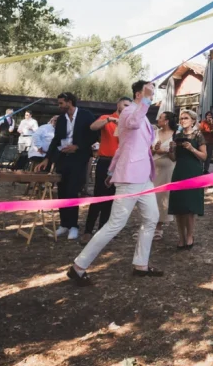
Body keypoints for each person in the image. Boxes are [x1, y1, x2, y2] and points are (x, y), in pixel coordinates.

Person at [67, 80, 163, 284]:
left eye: (152, 92)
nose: (152, 95)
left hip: (144, 177)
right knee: (115, 224)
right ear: (139, 94)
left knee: (151, 218)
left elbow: (122, 147)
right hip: (130, 178)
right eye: (148, 91)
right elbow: (134, 123)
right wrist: (146, 99)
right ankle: (78, 267)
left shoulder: (142, 114)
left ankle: (141, 264)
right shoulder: (129, 112)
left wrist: (111, 171)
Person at [34, 93, 95, 241]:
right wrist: (47, 159)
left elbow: (93, 136)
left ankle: (74, 226)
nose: (59, 106)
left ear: (69, 102)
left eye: (61, 103)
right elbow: (56, 140)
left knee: (72, 191)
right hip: (62, 158)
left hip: (78, 158)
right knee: (62, 191)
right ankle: (64, 224)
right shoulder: (61, 119)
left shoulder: (86, 115)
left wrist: (77, 147)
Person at [81, 98, 131, 244]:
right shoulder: (106, 118)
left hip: (121, 163)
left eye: (129, 106)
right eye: (125, 105)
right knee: (99, 196)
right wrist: (109, 120)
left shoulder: (129, 123)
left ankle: (103, 230)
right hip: (105, 161)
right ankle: (88, 231)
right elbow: (93, 127)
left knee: (113, 198)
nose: (127, 108)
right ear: (118, 105)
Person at [168, 109, 208, 250]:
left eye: (185, 118)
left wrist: (191, 148)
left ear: (193, 121)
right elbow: (173, 158)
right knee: (179, 207)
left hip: (193, 172)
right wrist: (171, 149)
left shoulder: (198, 135)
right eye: (181, 118)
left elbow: (204, 156)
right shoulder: (177, 135)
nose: (182, 120)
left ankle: (190, 236)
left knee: (189, 207)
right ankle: (181, 237)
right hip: (179, 171)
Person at [152, 110, 178, 241]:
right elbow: (149, 151)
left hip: (168, 169)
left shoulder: (175, 135)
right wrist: (154, 149)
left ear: (167, 121)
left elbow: (174, 157)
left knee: (163, 196)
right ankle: (149, 223)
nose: (158, 119)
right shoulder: (155, 132)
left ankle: (158, 226)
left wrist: (165, 151)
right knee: (150, 196)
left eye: (161, 118)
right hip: (152, 168)